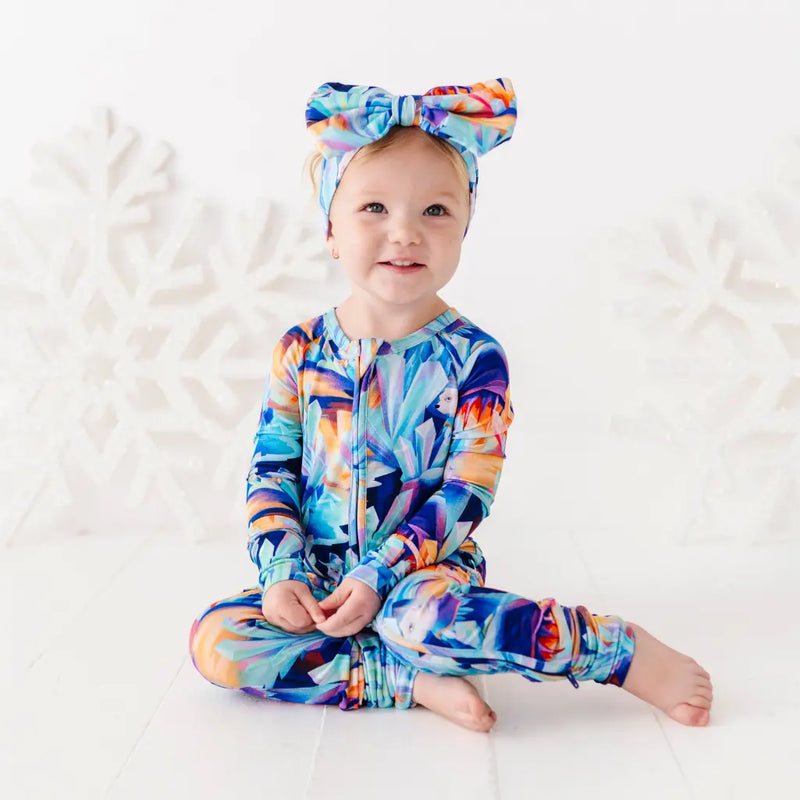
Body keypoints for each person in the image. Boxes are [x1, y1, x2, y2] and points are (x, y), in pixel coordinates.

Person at [188, 78, 714, 732]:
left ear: (466, 226)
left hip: (421, 579)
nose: (404, 233)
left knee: (422, 621)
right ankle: (406, 683)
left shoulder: (474, 358)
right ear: (330, 228)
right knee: (216, 641)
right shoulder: (300, 350)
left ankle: (616, 651)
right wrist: (282, 573)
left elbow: (469, 489)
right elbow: (270, 474)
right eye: (374, 208)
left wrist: (383, 573)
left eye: (434, 212)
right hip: (319, 580)